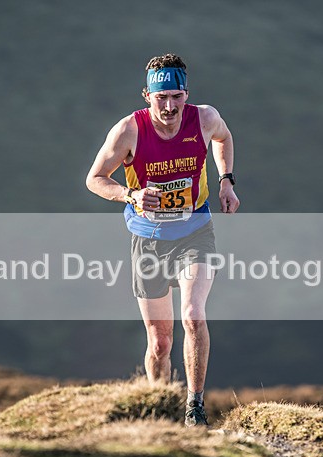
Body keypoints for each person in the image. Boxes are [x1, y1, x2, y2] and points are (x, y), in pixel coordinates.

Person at [86, 53, 239, 427]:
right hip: (149, 239)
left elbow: (224, 137)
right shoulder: (128, 131)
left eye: (176, 96)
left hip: (195, 231)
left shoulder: (204, 118)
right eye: (161, 98)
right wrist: (131, 196)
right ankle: (160, 411)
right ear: (146, 96)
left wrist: (226, 181)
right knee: (160, 341)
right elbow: (94, 179)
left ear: (186, 94)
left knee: (192, 316)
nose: (169, 107)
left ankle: (194, 406)